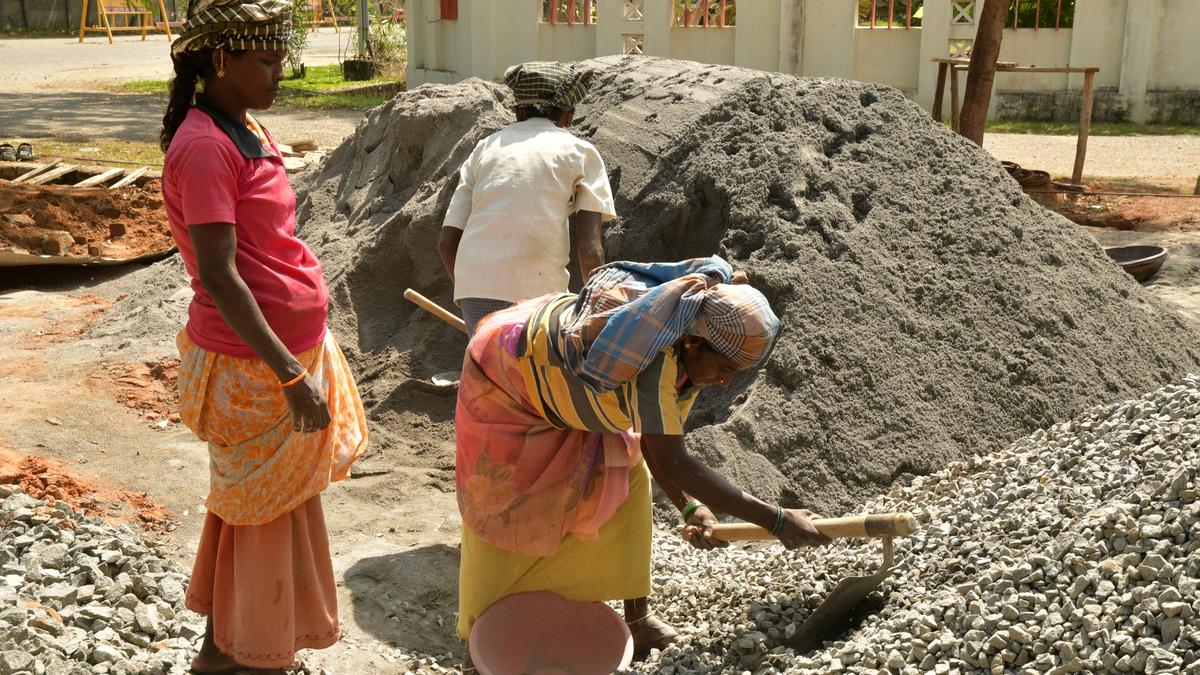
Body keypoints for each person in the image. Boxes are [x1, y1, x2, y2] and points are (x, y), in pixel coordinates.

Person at [455, 256, 830, 664]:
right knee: (504, 497)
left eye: (735, 373)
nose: (725, 380)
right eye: (723, 367)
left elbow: (656, 447)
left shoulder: (690, 348)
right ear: (692, 342)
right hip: (507, 372)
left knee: (628, 475)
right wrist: (774, 519)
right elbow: (674, 463)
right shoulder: (655, 359)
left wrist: (691, 506)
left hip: (576, 378)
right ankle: (484, 630)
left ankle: (637, 619)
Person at [160, 1, 368, 671]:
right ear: (221, 62)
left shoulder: (247, 127)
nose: (283, 72)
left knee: (258, 512)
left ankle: (226, 651)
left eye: (282, 57)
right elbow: (221, 277)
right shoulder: (202, 148)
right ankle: (252, 651)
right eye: (268, 61)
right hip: (252, 368)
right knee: (259, 518)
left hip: (281, 354)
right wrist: (287, 373)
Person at [438, 60, 616, 335]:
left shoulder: (486, 148)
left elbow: (447, 244)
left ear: (518, 111)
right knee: (538, 374)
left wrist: (474, 290)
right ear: (568, 116)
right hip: (538, 300)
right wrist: (600, 315)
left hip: (474, 293)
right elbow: (590, 252)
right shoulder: (581, 153)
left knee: (494, 373)